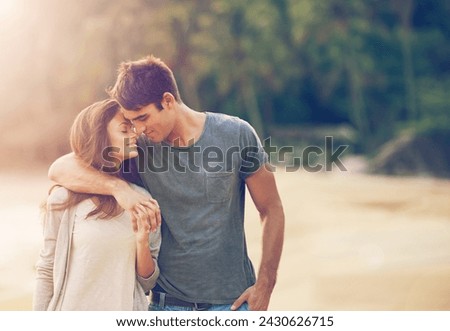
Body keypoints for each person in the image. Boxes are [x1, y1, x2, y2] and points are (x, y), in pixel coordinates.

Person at [48, 55, 285, 311]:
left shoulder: (237, 134)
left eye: (142, 118)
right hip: (166, 306)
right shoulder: (139, 149)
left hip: (233, 304)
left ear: (168, 101)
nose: (137, 129)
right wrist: (118, 188)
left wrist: (265, 285)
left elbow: (271, 209)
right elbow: (60, 168)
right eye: (131, 122)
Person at [33, 99, 161, 311]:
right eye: (124, 129)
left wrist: (142, 242)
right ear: (101, 137)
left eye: (133, 127)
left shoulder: (142, 199)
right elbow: (47, 270)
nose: (134, 134)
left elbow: (148, 283)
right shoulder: (63, 200)